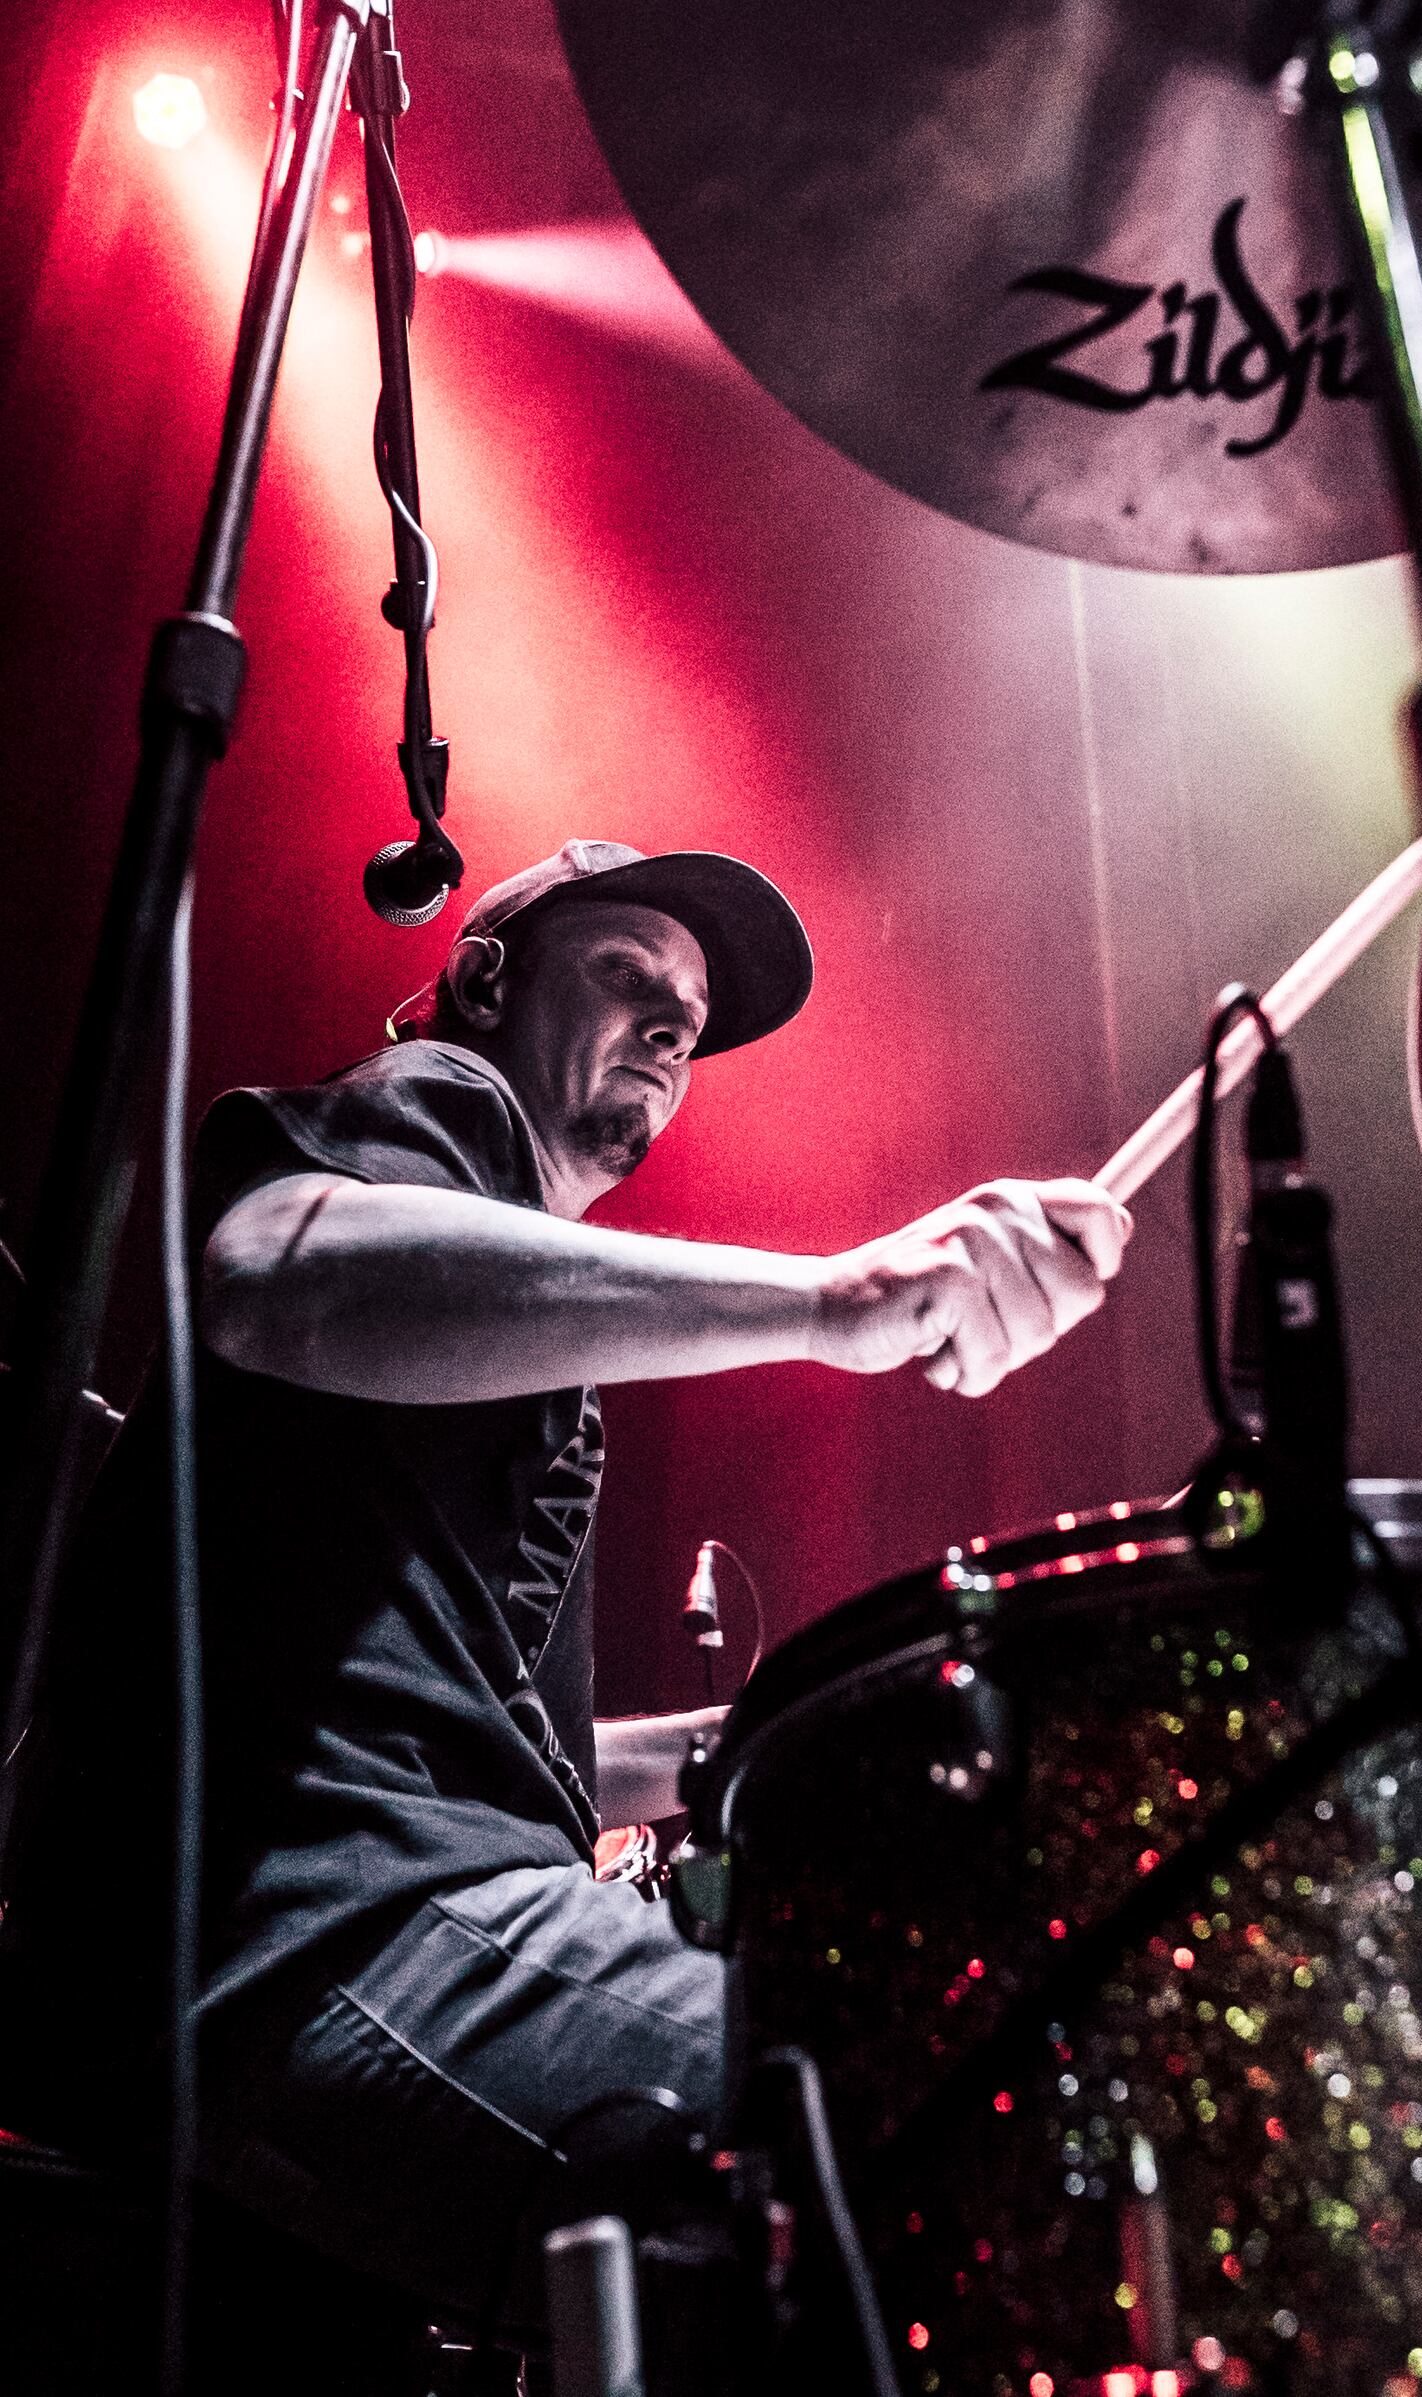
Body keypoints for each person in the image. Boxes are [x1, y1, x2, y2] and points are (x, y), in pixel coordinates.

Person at [5, 837, 1132, 2345]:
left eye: (694, 1018)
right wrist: (840, 1297)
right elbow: (279, 1269)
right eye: (632, 980)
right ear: (487, 975)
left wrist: (733, 1744)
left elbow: (498, 1753)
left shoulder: (513, 1346)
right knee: (922, 2097)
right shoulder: (441, 1106)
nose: (678, 1032)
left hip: (348, 1921)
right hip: (316, 1925)